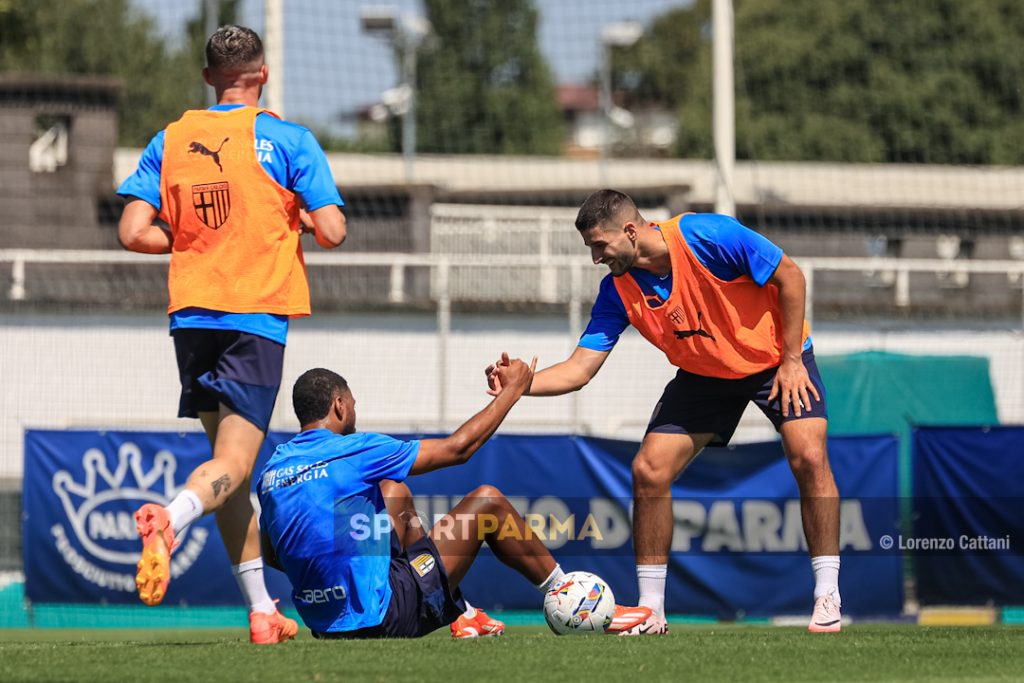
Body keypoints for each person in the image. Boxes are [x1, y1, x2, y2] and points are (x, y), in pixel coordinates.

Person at [486, 189, 841, 635]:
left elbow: (791, 276)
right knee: (648, 470)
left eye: (600, 245)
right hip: (706, 374)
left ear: (631, 231)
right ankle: (652, 612)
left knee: (809, 456)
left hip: (776, 357)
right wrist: (521, 384)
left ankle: (827, 595)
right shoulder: (617, 289)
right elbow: (579, 369)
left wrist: (791, 360)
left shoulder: (708, 235)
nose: (596, 258)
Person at [116, 25, 347, 644]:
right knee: (236, 463)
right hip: (252, 318)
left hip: (191, 319)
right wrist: (292, 213)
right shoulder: (288, 138)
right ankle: (171, 516)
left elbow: (134, 230)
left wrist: (195, 241)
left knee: (230, 469)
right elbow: (332, 231)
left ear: (207, 77)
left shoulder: (170, 138)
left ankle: (262, 611)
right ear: (261, 75)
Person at [256, 365, 652, 639]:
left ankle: (463, 613)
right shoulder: (355, 449)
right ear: (339, 405)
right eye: (352, 403)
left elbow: (273, 555)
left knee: (392, 492)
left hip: (325, 625)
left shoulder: (273, 471)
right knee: (488, 504)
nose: (354, 411)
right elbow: (458, 449)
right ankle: (576, 600)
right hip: (386, 617)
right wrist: (513, 391)